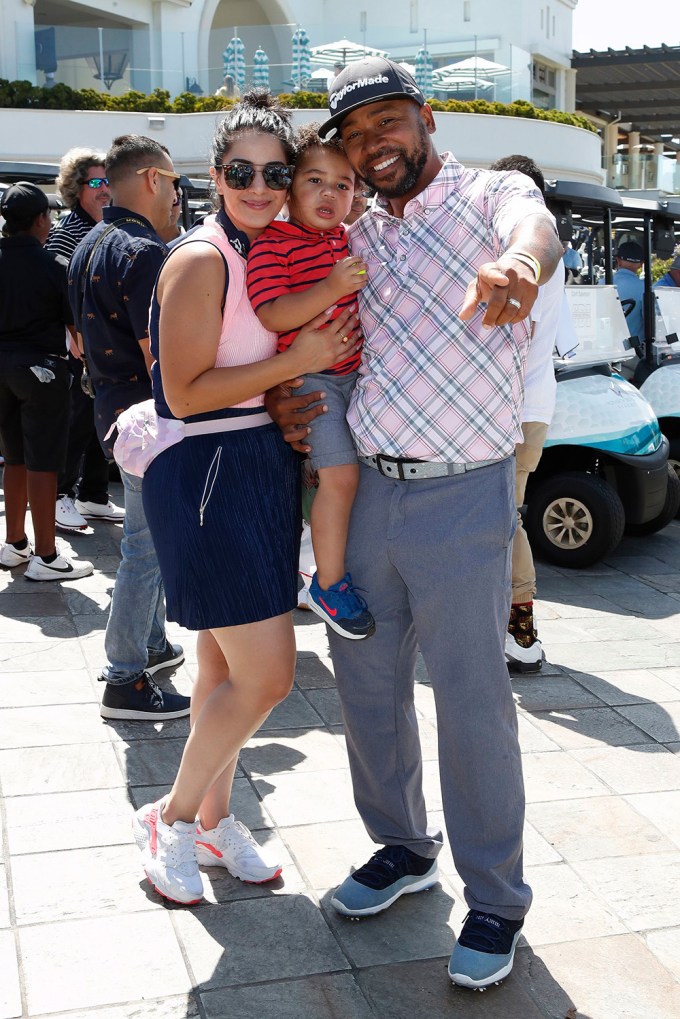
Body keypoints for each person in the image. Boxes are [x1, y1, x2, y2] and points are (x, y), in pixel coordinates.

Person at [267, 57, 563, 990]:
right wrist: (290, 393)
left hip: (464, 492)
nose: (371, 146)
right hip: (361, 492)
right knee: (364, 683)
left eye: (386, 122)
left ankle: (495, 898)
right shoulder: (356, 224)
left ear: (425, 117)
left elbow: (535, 225)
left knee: (473, 701)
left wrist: (519, 260)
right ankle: (401, 845)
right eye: (354, 136)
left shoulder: (490, 194)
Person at [132, 91, 359, 904]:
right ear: (214, 174)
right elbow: (185, 395)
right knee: (267, 674)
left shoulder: (261, 249)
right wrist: (293, 358)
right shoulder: (201, 258)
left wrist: (285, 394)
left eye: (275, 171)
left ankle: (216, 820)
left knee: (223, 666)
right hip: (205, 473)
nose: (259, 185)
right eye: (241, 171)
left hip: (254, 464)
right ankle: (172, 814)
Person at [69, 135, 189, 722]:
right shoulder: (144, 251)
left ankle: (152, 644)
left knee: (149, 545)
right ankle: (124, 677)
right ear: (150, 178)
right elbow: (160, 358)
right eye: (173, 183)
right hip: (151, 421)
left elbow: (77, 340)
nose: (176, 196)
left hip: (115, 415)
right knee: (146, 549)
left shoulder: (89, 241)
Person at [247, 123, 373, 639]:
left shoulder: (348, 238)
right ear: (290, 186)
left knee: (350, 483)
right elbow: (274, 314)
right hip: (311, 383)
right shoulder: (273, 242)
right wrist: (331, 286)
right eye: (315, 180)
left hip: (355, 380)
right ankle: (328, 583)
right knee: (340, 479)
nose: (329, 194)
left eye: (343, 185)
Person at [489, 155, 568, 673]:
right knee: (501, 519)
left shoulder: (518, 255)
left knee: (505, 521)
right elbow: (562, 340)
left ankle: (521, 630)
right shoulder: (557, 258)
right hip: (534, 408)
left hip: (510, 412)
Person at [0, 182, 94, 581]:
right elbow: (76, 329)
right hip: (42, 371)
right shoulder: (54, 266)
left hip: (0, 368)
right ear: (41, 220)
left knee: (14, 456)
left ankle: (15, 544)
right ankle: (47, 555)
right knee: (43, 463)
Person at [45, 147, 124, 533]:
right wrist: (70, 338)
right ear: (78, 188)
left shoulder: (108, 227)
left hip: (102, 343)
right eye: (95, 181)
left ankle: (93, 495)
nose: (104, 188)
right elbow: (52, 293)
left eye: (108, 180)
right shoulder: (66, 232)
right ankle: (61, 494)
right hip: (75, 347)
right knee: (75, 422)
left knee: (100, 421)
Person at [602, 240, 645, 347]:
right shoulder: (645, 288)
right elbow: (652, 325)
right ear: (640, 264)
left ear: (618, 260)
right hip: (633, 353)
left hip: (605, 350)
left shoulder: (602, 283)